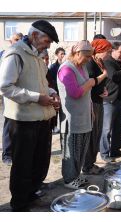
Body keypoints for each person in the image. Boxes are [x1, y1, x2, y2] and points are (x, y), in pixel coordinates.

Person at [0, 20, 60, 211]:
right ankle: (19, 204)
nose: (49, 45)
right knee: (23, 166)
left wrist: (52, 93)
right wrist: (36, 98)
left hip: (41, 118)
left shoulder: (37, 56)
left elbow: (41, 84)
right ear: (34, 36)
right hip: (23, 120)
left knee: (40, 163)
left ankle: (31, 195)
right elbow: (5, 87)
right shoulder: (15, 54)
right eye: (47, 40)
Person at [57, 40, 107, 189]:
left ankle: (76, 175)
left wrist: (91, 110)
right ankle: (69, 179)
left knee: (81, 149)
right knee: (71, 150)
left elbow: (87, 92)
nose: (88, 59)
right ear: (77, 53)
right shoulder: (66, 69)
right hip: (71, 117)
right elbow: (75, 92)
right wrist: (91, 82)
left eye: (90, 56)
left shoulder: (82, 66)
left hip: (84, 116)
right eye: (86, 56)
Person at [82, 36, 112, 172]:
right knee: (92, 134)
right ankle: (87, 166)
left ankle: (91, 163)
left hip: (99, 101)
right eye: (108, 51)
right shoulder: (90, 63)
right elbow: (90, 82)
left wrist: (103, 89)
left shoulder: (99, 62)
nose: (109, 54)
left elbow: (99, 82)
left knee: (97, 133)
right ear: (100, 50)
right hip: (91, 102)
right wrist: (103, 78)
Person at [100, 42, 121, 161]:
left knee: (119, 127)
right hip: (110, 100)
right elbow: (114, 76)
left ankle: (115, 150)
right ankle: (105, 154)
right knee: (107, 129)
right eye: (120, 52)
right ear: (113, 51)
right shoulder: (108, 61)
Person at [1, 32, 24, 166]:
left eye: (20, 39)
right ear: (11, 41)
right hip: (9, 95)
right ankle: (7, 154)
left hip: (20, 95)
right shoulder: (6, 54)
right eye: (16, 39)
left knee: (18, 127)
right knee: (9, 125)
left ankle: (15, 152)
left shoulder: (22, 54)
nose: (18, 41)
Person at [48, 47, 66, 133]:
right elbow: (51, 80)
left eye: (63, 54)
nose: (63, 55)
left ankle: (63, 126)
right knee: (55, 110)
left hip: (64, 91)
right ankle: (54, 126)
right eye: (61, 54)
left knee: (64, 110)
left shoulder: (66, 65)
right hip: (55, 91)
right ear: (57, 55)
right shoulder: (53, 67)